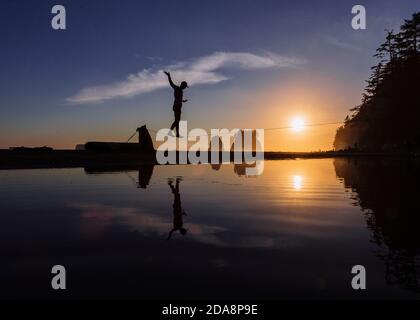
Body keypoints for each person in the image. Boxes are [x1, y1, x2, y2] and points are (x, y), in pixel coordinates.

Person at [164, 71, 188, 137]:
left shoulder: (181, 91)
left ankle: (176, 133)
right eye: (185, 86)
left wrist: (183, 101)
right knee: (177, 120)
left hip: (179, 107)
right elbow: (171, 83)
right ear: (182, 85)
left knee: (178, 120)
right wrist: (169, 76)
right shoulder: (176, 88)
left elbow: (179, 99)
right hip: (176, 107)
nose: (185, 88)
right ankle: (171, 132)